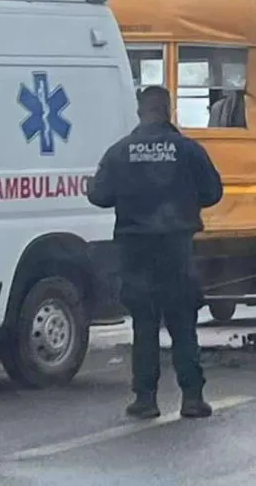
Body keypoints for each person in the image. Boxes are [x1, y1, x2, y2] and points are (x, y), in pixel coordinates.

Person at [87, 85, 224, 420]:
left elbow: (100, 195)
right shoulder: (188, 150)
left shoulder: (120, 151)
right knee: (182, 324)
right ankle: (192, 398)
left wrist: (91, 187)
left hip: (135, 251)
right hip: (176, 248)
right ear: (169, 110)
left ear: (139, 111)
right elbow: (213, 192)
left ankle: (145, 399)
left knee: (145, 325)